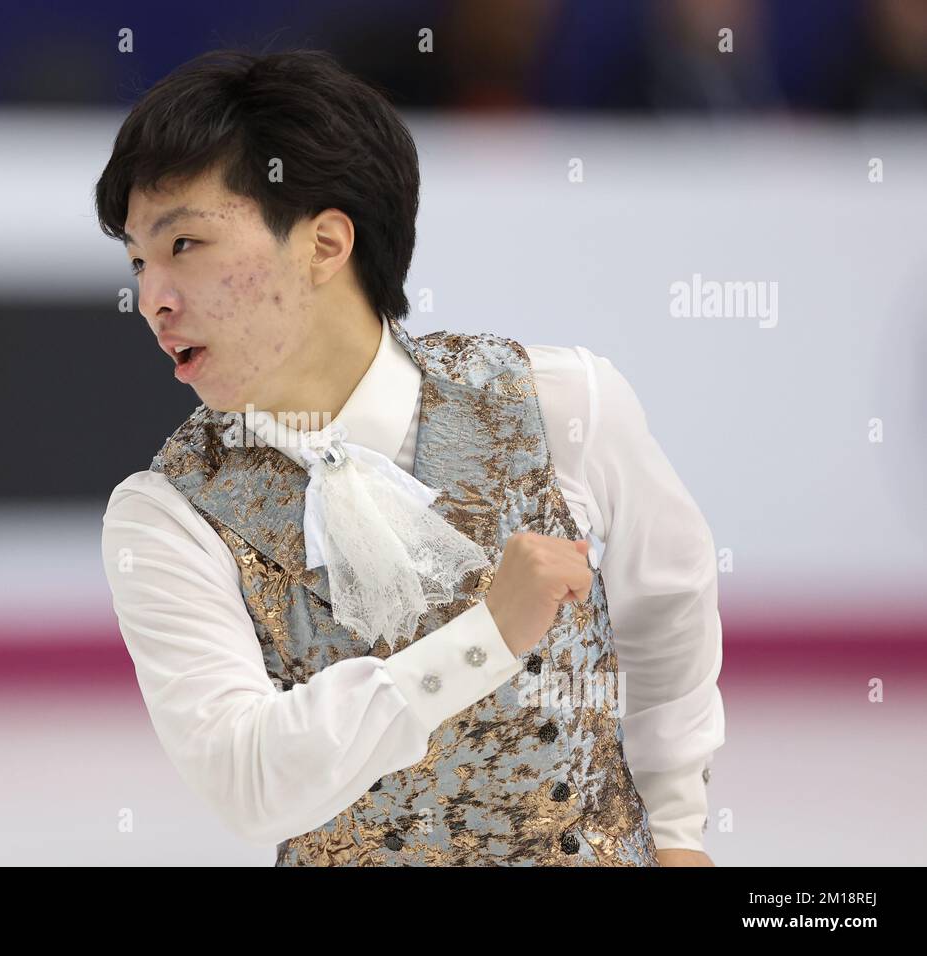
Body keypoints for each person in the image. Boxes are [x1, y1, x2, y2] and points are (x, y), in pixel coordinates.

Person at [94, 48, 723, 866]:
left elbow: (667, 613)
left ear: (324, 244)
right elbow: (246, 779)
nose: (152, 299)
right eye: (138, 262)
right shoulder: (168, 515)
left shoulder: (561, 402)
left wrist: (677, 835)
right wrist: (485, 637)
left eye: (184, 244)